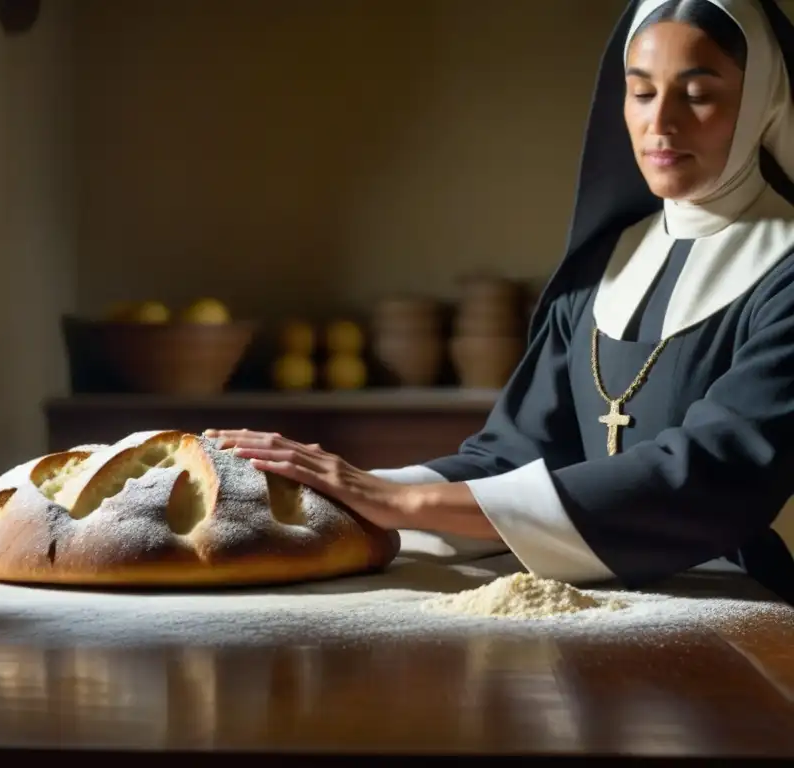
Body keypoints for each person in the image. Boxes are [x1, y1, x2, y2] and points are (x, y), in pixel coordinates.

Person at [206, 0, 794, 605]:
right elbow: (515, 457)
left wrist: (401, 501)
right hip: (613, 615)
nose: (660, 123)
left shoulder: (788, 271)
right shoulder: (603, 263)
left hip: (759, 618)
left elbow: (713, 476)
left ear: (763, 103)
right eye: (641, 93)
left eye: (696, 93)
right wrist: (351, 492)